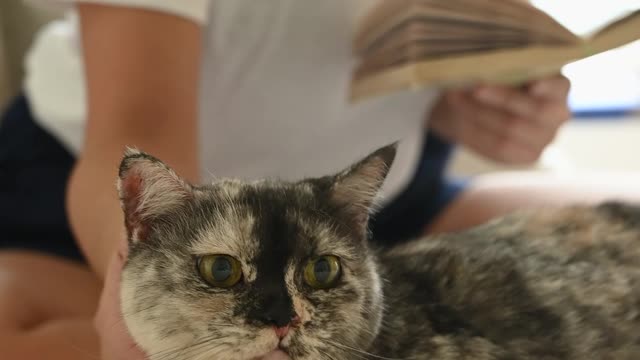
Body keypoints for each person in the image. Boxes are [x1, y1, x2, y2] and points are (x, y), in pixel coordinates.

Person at [2, 1, 636, 359]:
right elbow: (136, 127)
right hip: (125, 200)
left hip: (360, 199)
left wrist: (493, 116)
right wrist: (135, 303)